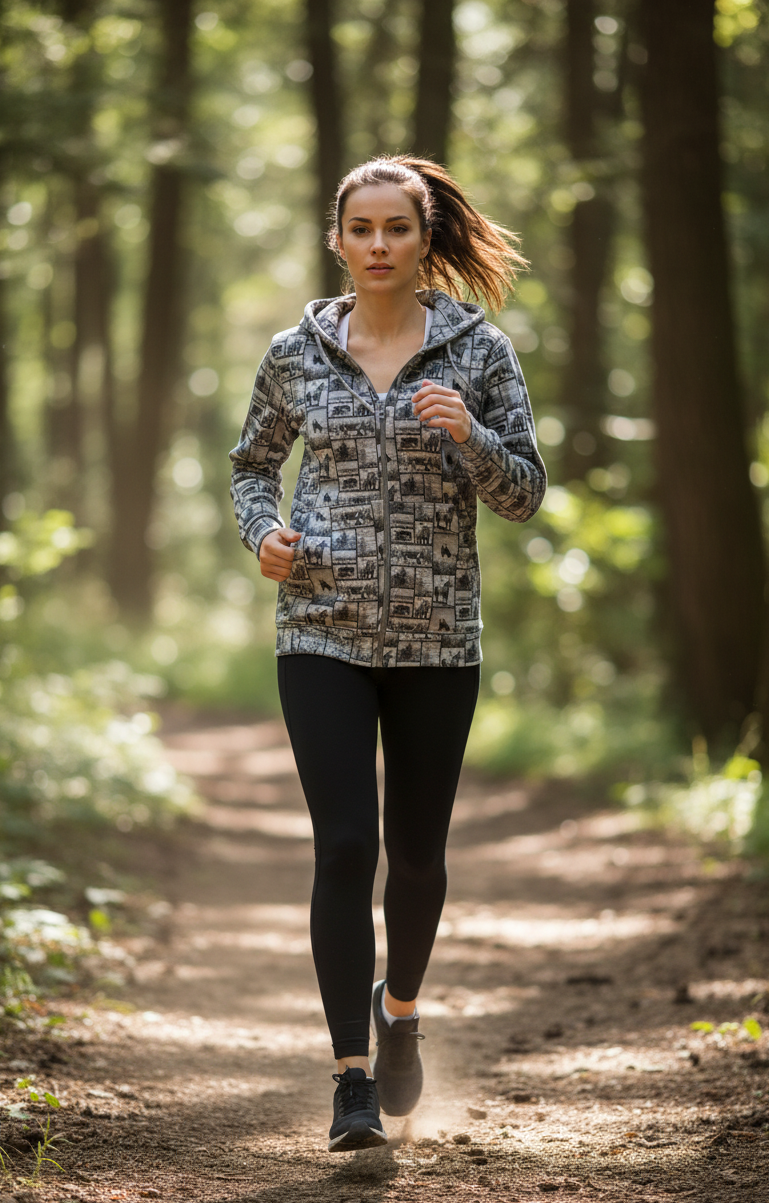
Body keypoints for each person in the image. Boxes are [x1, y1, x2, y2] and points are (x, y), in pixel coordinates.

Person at [229, 155, 546, 1152]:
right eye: (360, 229)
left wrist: (471, 441)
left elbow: (526, 491)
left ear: (424, 241)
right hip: (317, 632)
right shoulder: (294, 353)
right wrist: (262, 535)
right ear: (337, 240)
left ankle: (399, 1005)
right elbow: (249, 468)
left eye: (395, 229)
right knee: (342, 849)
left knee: (415, 859)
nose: (377, 245)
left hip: (437, 642)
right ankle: (349, 1082)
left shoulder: (476, 351)